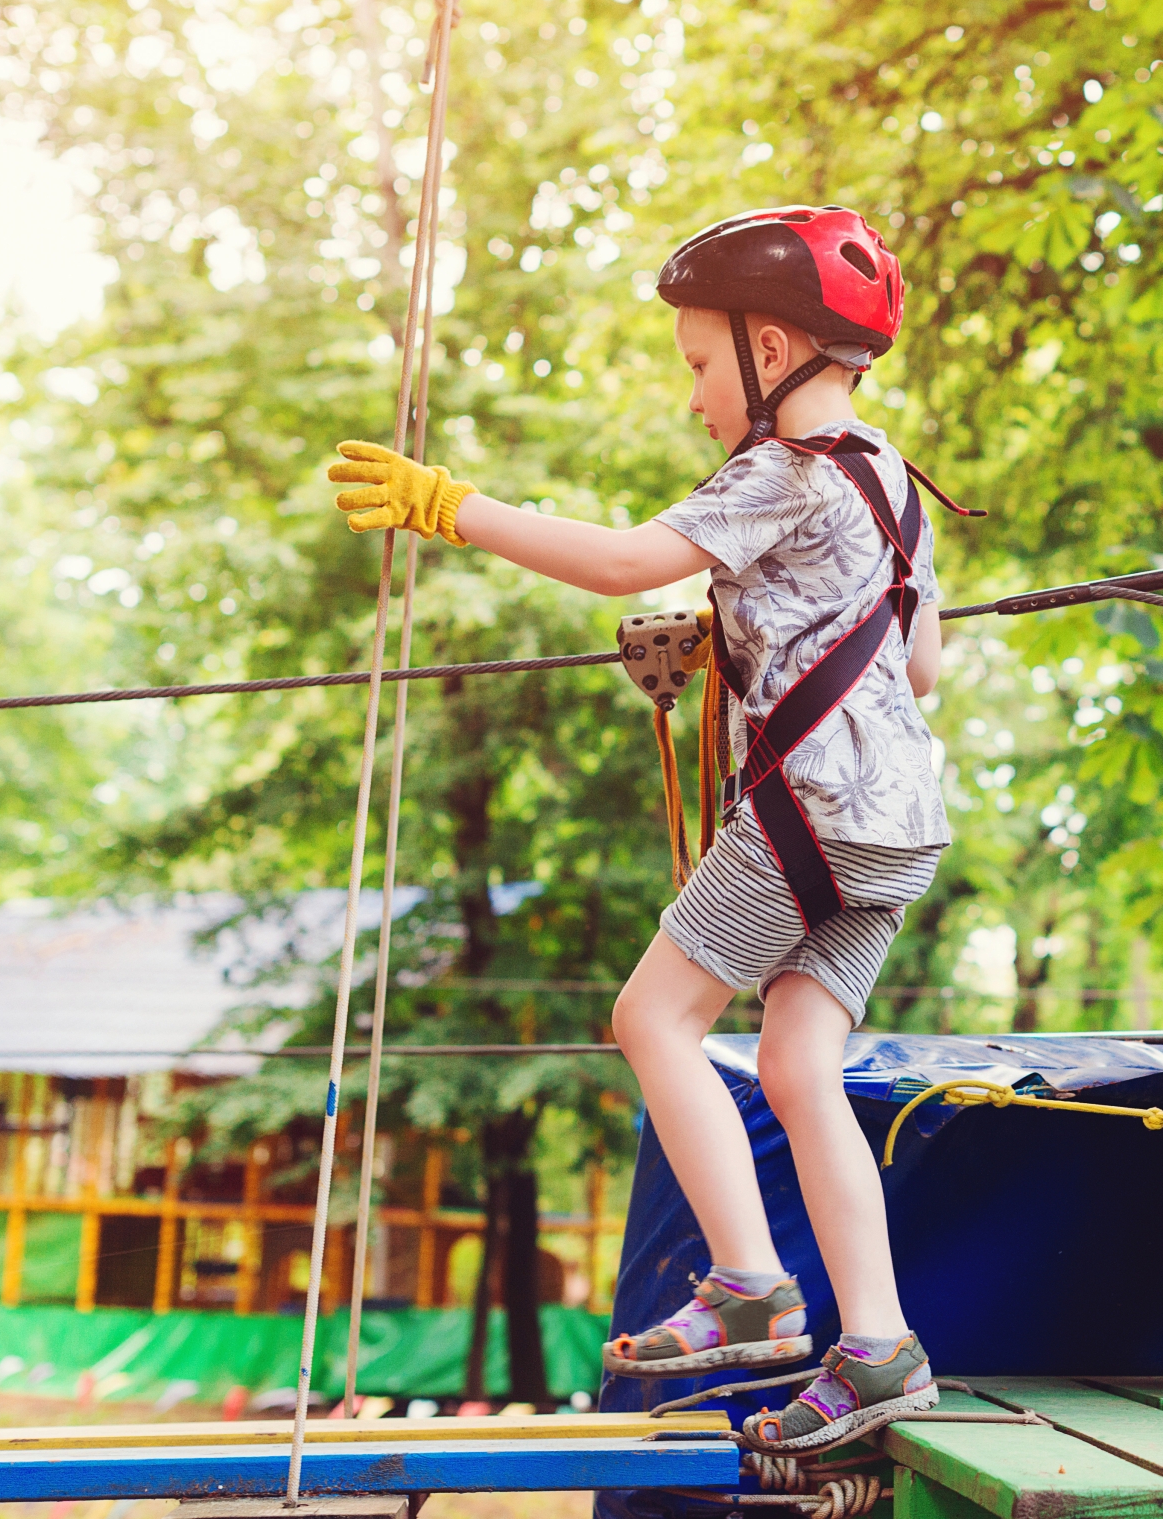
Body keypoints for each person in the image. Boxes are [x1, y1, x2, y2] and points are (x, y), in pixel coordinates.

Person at [326, 205, 953, 1451]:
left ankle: (748, 1282)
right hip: (897, 826)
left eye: (701, 366)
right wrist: (757, 627)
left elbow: (623, 563)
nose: (696, 397)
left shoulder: (774, 471)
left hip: (807, 815)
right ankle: (877, 1344)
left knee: (649, 1017)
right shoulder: (893, 481)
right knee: (796, 1066)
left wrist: (450, 506)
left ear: (771, 351)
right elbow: (919, 664)